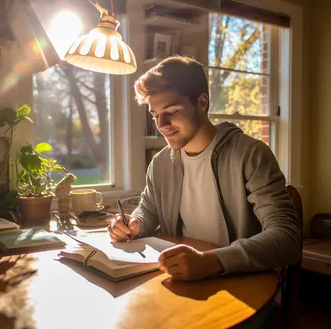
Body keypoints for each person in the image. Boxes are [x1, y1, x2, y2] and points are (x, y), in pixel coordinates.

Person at [108, 55, 301, 282]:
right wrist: (133, 225)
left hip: (243, 285)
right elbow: (148, 211)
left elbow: (288, 238)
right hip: (182, 279)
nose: (161, 125)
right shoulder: (160, 163)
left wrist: (211, 261)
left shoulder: (250, 154)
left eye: (172, 111)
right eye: (156, 115)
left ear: (202, 103)